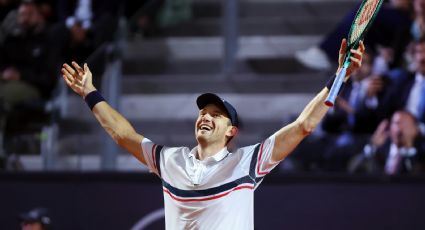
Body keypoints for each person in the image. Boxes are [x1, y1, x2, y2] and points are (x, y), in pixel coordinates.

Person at [61, 39, 365, 229]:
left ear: (231, 131)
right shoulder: (171, 160)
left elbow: (304, 126)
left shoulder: (248, 162)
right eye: (203, 113)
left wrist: (339, 77)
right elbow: (122, 134)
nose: (206, 116)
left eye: (216, 115)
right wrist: (90, 93)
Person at [349, 110, 425, 174]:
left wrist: (409, 148)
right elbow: (353, 169)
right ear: (390, 127)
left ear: (416, 130)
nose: (400, 128)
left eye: (406, 125)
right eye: (397, 123)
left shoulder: (421, 154)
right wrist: (372, 146)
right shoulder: (379, 150)